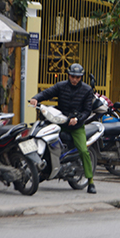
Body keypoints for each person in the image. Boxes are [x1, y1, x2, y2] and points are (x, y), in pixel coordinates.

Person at [30, 63, 97, 194]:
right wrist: (35, 98)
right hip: (60, 122)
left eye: (78, 77)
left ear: (81, 77)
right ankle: (45, 171)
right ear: (68, 75)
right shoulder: (61, 86)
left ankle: (90, 181)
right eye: (72, 76)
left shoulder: (87, 90)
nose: (75, 79)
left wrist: (77, 119)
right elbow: (47, 93)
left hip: (76, 126)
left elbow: (87, 110)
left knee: (83, 151)